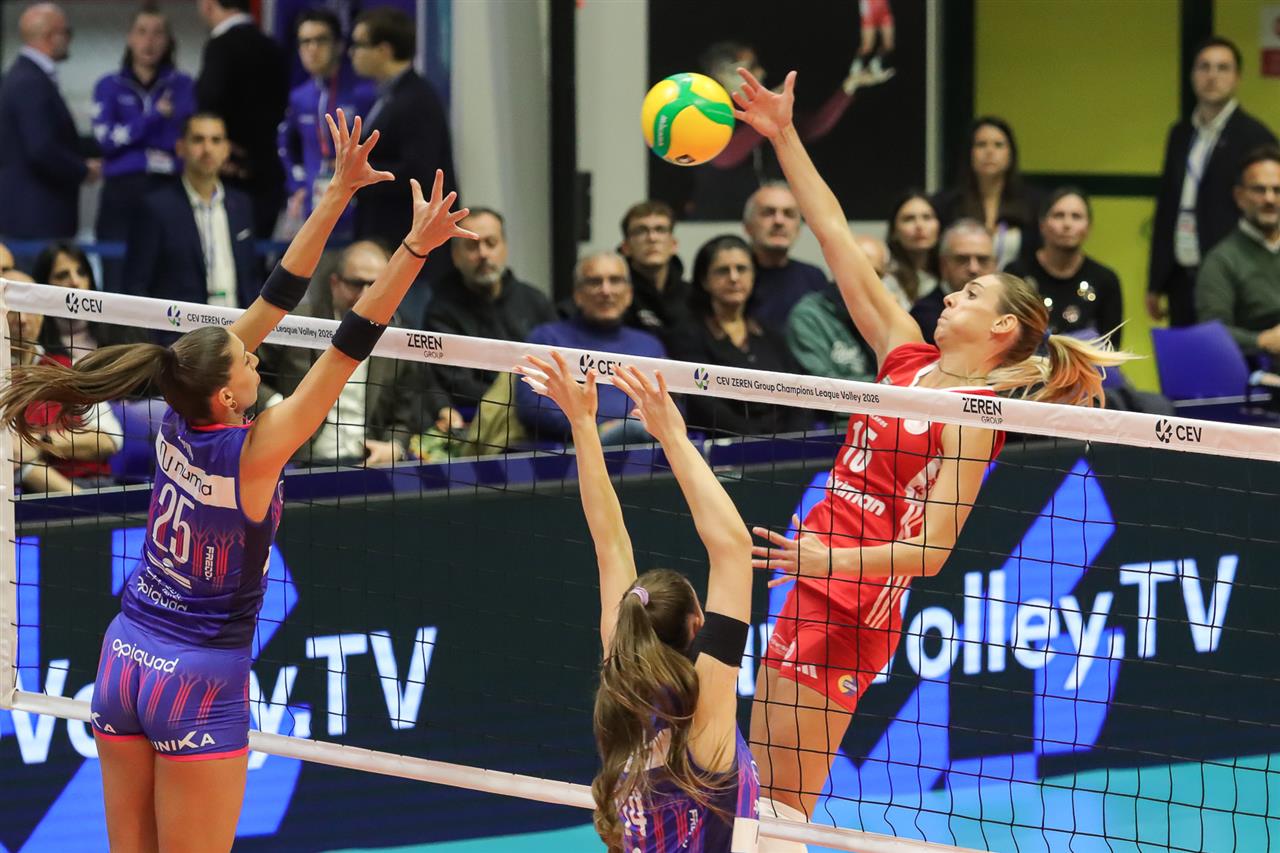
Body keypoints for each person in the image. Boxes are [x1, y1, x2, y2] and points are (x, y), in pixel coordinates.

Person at [0, 111, 473, 852]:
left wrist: (338, 192)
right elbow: (349, 345)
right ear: (228, 393)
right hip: (197, 678)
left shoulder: (176, 407)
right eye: (249, 361)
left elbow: (277, 296)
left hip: (125, 658)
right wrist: (415, 248)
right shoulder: (256, 450)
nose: (257, 356)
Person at [731, 66, 1130, 830]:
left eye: (971, 294)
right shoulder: (904, 356)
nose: (951, 293)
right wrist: (782, 135)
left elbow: (932, 551)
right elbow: (834, 235)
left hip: (854, 600)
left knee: (785, 809)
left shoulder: (974, 417)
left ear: (1003, 328)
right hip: (811, 576)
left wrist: (828, 561)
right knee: (756, 799)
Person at [515, 353, 760, 853]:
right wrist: (673, 436)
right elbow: (734, 550)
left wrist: (583, 423)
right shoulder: (705, 709)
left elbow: (610, 545)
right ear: (697, 623)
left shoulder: (622, 685)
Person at [256, 241, 424, 466]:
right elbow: (241, 368)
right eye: (356, 284)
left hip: (366, 464)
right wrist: (277, 405)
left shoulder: (398, 340)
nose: (366, 294)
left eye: (377, 285)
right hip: (296, 460)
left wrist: (394, 447)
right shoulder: (296, 324)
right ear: (335, 283)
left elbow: (404, 417)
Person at [1149, 36, 1278, 327]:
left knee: (1225, 347)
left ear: (1237, 78)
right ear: (1192, 75)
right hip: (1181, 272)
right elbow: (1167, 205)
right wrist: (1156, 280)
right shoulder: (1180, 133)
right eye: (1204, 67)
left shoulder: (1255, 136)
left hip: (1233, 274)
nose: (1212, 76)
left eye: (1222, 68)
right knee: (1186, 351)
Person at [689, 41, 880, 221]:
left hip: (768, 216)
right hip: (721, 220)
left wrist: (849, 87)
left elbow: (809, 128)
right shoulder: (705, 109)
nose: (761, 71)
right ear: (722, 74)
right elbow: (722, 158)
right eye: (752, 66)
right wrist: (765, 118)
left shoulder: (760, 105)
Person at [350, 4, 458, 287]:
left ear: (383, 50)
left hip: (407, 243)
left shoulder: (416, 99)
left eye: (359, 44)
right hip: (389, 239)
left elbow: (418, 172)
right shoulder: (389, 95)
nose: (352, 53)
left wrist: (362, 177)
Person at [92, 4, 196, 293]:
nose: (149, 41)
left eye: (157, 33)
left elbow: (183, 144)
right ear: (130, 37)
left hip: (169, 189)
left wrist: (132, 140)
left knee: (165, 282)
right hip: (120, 194)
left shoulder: (183, 85)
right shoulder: (109, 85)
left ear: (168, 40)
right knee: (115, 283)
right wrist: (153, 118)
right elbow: (106, 141)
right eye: (141, 32)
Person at [670, 235, 813, 438]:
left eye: (742, 269)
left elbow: (800, 393)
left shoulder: (770, 334)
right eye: (723, 270)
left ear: (753, 276)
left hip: (787, 443)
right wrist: (756, 441)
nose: (734, 277)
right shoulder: (687, 335)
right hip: (725, 444)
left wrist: (792, 440)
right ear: (704, 280)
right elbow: (702, 403)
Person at [517, 252, 665, 445]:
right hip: (564, 453)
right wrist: (593, 428)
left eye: (615, 280)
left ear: (629, 294)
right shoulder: (547, 339)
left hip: (641, 453)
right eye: (595, 282)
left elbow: (670, 408)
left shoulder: (650, 346)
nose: (606, 290)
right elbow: (531, 406)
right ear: (577, 295)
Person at [423, 207, 555, 415]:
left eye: (491, 243)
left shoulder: (535, 300)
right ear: (455, 256)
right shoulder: (440, 311)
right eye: (471, 246)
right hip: (479, 415)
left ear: (505, 248)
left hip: (540, 410)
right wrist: (517, 402)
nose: (483, 254)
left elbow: (555, 365)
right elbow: (457, 383)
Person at [123, 113, 258, 309]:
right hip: (180, 326)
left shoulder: (241, 205)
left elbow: (251, 277)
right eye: (198, 140)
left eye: (216, 140)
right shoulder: (156, 208)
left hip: (239, 321)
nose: (207, 149)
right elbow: (136, 285)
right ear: (180, 147)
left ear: (226, 149)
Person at [0, 2, 100, 241]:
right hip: (36, 219)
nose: (69, 39)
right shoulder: (30, 81)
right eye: (67, 32)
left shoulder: (23, 76)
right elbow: (41, 148)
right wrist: (83, 170)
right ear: (51, 35)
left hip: (30, 217)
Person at [278, 7, 376, 238]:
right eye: (305, 42)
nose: (312, 49)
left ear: (339, 45)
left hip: (358, 214)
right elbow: (284, 145)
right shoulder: (299, 97)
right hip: (314, 211)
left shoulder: (364, 93)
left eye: (321, 40)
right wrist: (297, 185)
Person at [195, 0, 289, 238]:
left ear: (208, 5)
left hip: (228, 173)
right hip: (268, 171)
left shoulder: (220, 46)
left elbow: (208, 104)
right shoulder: (272, 46)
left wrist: (221, 150)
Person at [1006, 188, 1124, 345]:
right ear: (1042, 224)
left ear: (1088, 227)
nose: (1067, 224)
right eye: (1058, 215)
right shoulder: (1016, 274)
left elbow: (1111, 348)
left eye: (1076, 216)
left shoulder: (1105, 281)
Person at [6, 268, 87, 495]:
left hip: (94, 482)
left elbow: (110, 438)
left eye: (29, 308)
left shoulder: (67, 367)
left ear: (42, 316)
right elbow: (11, 455)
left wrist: (39, 441)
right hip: (32, 495)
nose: (22, 320)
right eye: (11, 310)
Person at [1195, 146, 1280, 358]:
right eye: (1259, 190)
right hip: (1259, 366)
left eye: (1277, 190)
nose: (1270, 199)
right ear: (1240, 196)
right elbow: (1211, 331)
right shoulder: (1222, 260)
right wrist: (1261, 340)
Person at [932, 116, 1040, 270]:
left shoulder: (1033, 203)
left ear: (1010, 154)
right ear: (970, 153)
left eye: (998, 145)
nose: (989, 152)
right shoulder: (946, 203)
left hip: (1016, 283)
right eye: (981, 145)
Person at [785, 236, 879, 384]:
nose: (867, 281)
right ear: (836, 268)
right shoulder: (809, 316)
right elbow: (820, 384)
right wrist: (885, 385)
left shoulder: (885, 316)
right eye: (857, 270)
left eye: (876, 274)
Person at [742, 182, 829, 332]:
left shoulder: (814, 277)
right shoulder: (734, 277)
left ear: (799, 228)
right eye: (768, 212)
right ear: (747, 226)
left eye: (789, 214)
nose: (779, 221)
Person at [618, 200, 691, 346]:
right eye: (641, 231)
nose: (652, 238)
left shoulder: (693, 296)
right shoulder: (614, 295)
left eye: (660, 230)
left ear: (673, 244)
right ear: (626, 247)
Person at [910, 219, 995, 344]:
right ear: (943, 265)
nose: (973, 268)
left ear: (995, 264)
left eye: (983, 259)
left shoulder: (1007, 309)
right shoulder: (924, 314)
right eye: (962, 259)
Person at [880, 190, 941, 310]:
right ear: (894, 231)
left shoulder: (949, 273)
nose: (919, 226)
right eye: (909, 219)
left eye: (927, 217)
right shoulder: (886, 277)